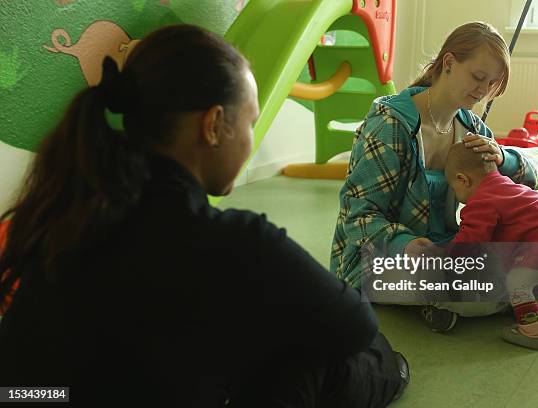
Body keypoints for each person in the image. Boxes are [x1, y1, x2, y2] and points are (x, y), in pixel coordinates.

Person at [0, 25, 408, 407]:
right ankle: (399, 369)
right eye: (249, 122)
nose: (250, 139)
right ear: (213, 125)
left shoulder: (64, 213)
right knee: (351, 358)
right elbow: (355, 326)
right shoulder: (231, 241)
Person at [330, 22, 538, 332]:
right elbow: (360, 218)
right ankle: (512, 296)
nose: (482, 91)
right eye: (478, 77)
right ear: (450, 63)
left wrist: (501, 157)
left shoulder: (470, 129)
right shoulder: (390, 125)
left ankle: (475, 298)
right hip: (381, 256)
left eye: (492, 83)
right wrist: (407, 244)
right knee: (470, 278)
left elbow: (529, 182)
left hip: (447, 249)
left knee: (535, 246)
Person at [444, 142, 538, 350]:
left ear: (462, 180)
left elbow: (470, 242)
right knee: (533, 272)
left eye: (454, 189)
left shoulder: (481, 202)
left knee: (517, 280)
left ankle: (533, 331)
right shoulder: (508, 186)